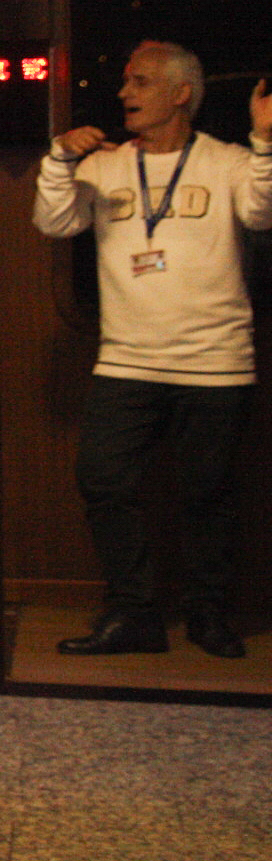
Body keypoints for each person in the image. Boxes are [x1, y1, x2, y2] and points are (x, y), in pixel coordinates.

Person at [33, 40, 272, 660]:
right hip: (126, 360)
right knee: (102, 479)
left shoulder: (229, 161)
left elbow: (262, 212)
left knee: (208, 493)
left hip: (216, 362)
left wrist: (266, 141)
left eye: (139, 82)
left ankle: (208, 613)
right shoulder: (106, 165)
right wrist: (59, 159)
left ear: (181, 93)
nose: (124, 93)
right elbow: (54, 222)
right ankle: (134, 613)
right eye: (126, 81)